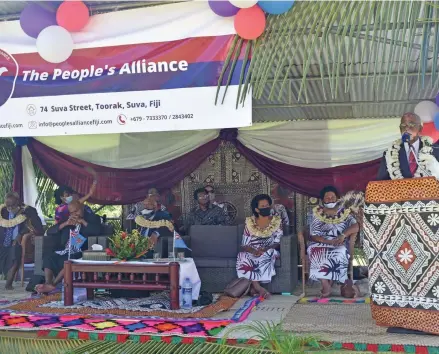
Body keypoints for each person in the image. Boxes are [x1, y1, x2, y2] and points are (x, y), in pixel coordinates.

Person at [36, 201, 101, 294]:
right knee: (48, 256)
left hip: (80, 250)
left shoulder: (92, 218)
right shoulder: (67, 219)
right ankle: (47, 283)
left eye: (76, 211)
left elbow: (97, 231)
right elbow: (50, 231)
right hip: (65, 250)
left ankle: (53, 285)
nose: (75, 214)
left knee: (70, 260)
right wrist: (66, 224)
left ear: (82, 208)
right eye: (72, 212)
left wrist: (83, 222)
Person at [307, 186, 359, 298]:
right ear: (322, 200)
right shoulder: (315, 213)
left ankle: (341, 283)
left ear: (337, 198)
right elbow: (313, 234)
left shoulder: (345, 212)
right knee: (317, 252)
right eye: (327, 197)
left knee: (340, 252)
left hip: (339, 243)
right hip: (319, 242)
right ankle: (325, 284)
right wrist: (327, 242)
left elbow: (355, 226)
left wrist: (343, 235)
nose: (330, 199)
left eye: (332, 197)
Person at [236, 194, 282, 299]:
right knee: (242, 255)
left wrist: (265, 249)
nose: (266, 208)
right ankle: (257, 287)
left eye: (267, 205)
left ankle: (255, 288)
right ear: (257, 209)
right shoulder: (249, 222)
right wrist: (253, 251)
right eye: (263, 206)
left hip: (270, 249)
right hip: (252, 250)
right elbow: (245, 244)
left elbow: (277, 242)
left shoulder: (276, 221)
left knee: (266, 254)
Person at [0, 192, 44, 290]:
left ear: (18, 202)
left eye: (12, 205)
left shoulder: (29, 211)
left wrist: (21, 234)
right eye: (8, 205)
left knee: (14, 252)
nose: (10, 208)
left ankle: (9, 282)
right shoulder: (2, 211)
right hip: (2, 242)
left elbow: (38, 228)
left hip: (19, 242)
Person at [377, 112, 439, 180]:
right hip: (399, 190)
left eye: (411, 124)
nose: (406, 128)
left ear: (420, 129)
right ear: (400, 129)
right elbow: (381, 182)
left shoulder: (435, 150)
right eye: (403, 125)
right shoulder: (389, 154)